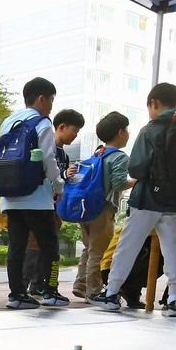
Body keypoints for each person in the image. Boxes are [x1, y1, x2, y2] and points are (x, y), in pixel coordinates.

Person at [90, 83, 176, 317]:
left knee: (128, 245)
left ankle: (111, 293)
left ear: (154, 103)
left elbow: (137, 167)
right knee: (174, 248)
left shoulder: (150, 130)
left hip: (148, 199)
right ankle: (174, 300)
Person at [0, 77, 65, 310]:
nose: (51, 106)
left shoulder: (8, 121)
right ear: (41, 98)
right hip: (37, 196)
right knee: (50, 246)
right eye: (51, 100)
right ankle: (50, 291)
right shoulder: (43, 123)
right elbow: (49, 158)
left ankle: (16, 294)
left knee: (16, 246)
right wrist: (58, 186)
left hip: (10, 195)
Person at [26, 109, 85, 297]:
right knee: (34, 246)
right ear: (62, 127)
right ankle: (28, 284)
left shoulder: (64, 155)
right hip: (40, 205)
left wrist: (67, 178)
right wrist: (62, 176)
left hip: (53, 208)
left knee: (47, 248)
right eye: (74, 130)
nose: (76, 135)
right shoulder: (46, 146)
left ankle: (39, 284)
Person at [72, 111, 131, 301]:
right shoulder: (119, 157)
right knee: (98, 252)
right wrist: (138, 180)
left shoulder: (98, 153)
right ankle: (94, 291)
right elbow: (120, 183)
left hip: (85, 208)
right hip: (103, 209)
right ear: (121, 132)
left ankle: (80, 285)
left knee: (88, 249)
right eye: (127, 130)